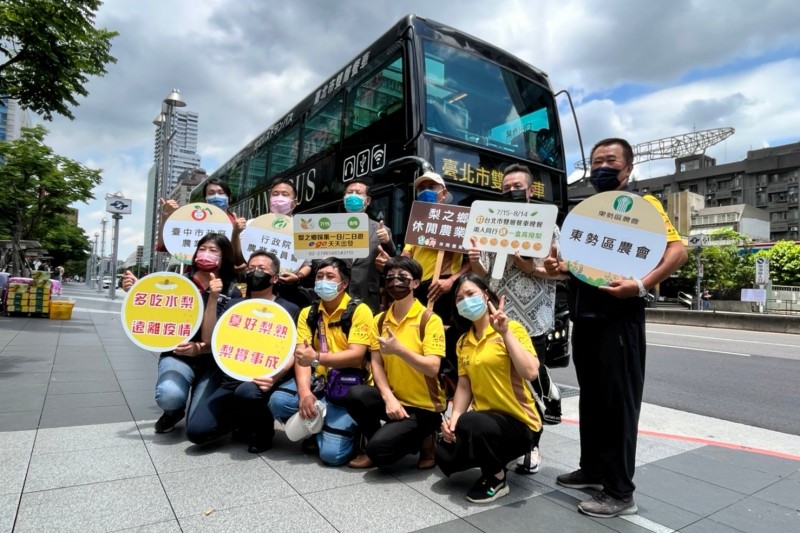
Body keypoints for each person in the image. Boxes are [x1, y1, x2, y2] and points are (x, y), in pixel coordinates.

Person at [545, 137, 687, 518]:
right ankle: (592, 470)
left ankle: (620, 492)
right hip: (586, 321)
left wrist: (640, 285)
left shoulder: (644, 206)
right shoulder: (589, 213)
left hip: (619, 323)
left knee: (619, 406)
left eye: (610, 161)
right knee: (593, 400)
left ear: (628, 168)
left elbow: (678, 251)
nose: (601, 168)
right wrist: (560, 271)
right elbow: (581, 268)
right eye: (595, 162)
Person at [467, 163, 567, 475]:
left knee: (530, 386)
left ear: (530, 190)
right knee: (501, 383)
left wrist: (532, 268)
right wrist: (474, 262)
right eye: (505, 187)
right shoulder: (491, 224)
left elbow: (563, 270)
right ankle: (504, 439)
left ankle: (532, 444)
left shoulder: (548, 226)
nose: (510, 190)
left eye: (516, 185)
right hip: (496, 317)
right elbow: (486, 275)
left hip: (533, 321)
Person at [435, 273, 541, 503]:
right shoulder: (464, 341)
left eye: (471, 294)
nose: (466, 301)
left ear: (486, 296)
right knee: (444, 453)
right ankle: (496, 453)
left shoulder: (512, 329)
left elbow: (531, 372)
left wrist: (505, 333)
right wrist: (453, 423)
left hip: (520, 422)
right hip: (488, 421)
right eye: (459, 298)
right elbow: (464, 386)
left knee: (471, 423)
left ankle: (497, 477)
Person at [122, 233, 242, 434]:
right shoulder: (178, 282)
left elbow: (212, 339)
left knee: (199, 425)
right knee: (170, 395)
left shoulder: (231, 292)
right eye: (202, 249)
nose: (206, 254)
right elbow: (157, 314)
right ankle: (173, 412)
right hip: (177, 355)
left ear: (225, 258)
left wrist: (212, 299)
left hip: (211, 362)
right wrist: (136, 292)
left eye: (213, 251)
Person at [267, 257, 373, 466]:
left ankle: (343, 429)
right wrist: (305, 393)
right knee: (278, 401)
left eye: (330, 276)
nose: (323, 281)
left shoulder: (360, 311)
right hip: (319, 382)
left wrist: (316, 357)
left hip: (347, 386)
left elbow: (356, 355)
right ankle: (318, 424)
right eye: (319, 276)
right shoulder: (309, 313)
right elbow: (301, 356)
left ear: (343, 284)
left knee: (332, 456)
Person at [343, 257, 446, 469]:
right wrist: (389, 398)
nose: (395, 282)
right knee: (356, 396)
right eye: (390, 277)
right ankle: (379, 438)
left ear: (416, 283)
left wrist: (400, 350)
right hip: (395, 399)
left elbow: (433, 367)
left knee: (380, 452)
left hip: (424, 406)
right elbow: (376, 363)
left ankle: (426, 437)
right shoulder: (379, 320)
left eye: (402, 277)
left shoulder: (429, 320)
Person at [198, 250, 299, 451]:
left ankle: (263, 431)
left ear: (275, 278)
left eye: (261, 269)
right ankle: (239, 419)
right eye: (251, 268)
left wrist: (276, 376)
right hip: (232, 376)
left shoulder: (289, 309)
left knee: (247, 393)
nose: (255, 272)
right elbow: (209, 339)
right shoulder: (234, 305)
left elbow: (296, 350)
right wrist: (213, 298)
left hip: (265, 377)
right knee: (198, 432)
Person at [341, 178, 396, 313]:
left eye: (358, 193)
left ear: (368, 201)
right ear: (344, 198)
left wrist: (386, 242)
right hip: (337, 297)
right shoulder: (331, 228)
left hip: (367, 297)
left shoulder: (381, 230)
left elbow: (392, 260)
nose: (353, 195)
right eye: (350, 192)